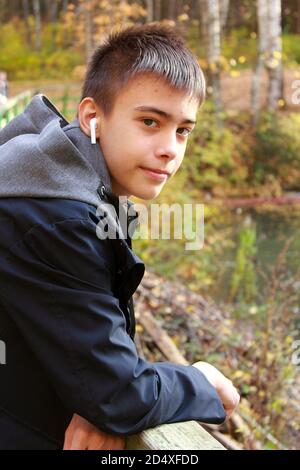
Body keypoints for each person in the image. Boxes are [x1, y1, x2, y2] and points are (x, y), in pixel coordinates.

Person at [0, 23, 239, 450]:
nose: (171, 148)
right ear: (93, 117)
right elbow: (118, 395)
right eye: (151, 121)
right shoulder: (59, 219)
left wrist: (89, 390)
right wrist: (201, 380)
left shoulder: (51, 175)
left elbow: (99, 373)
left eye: (183, 130)